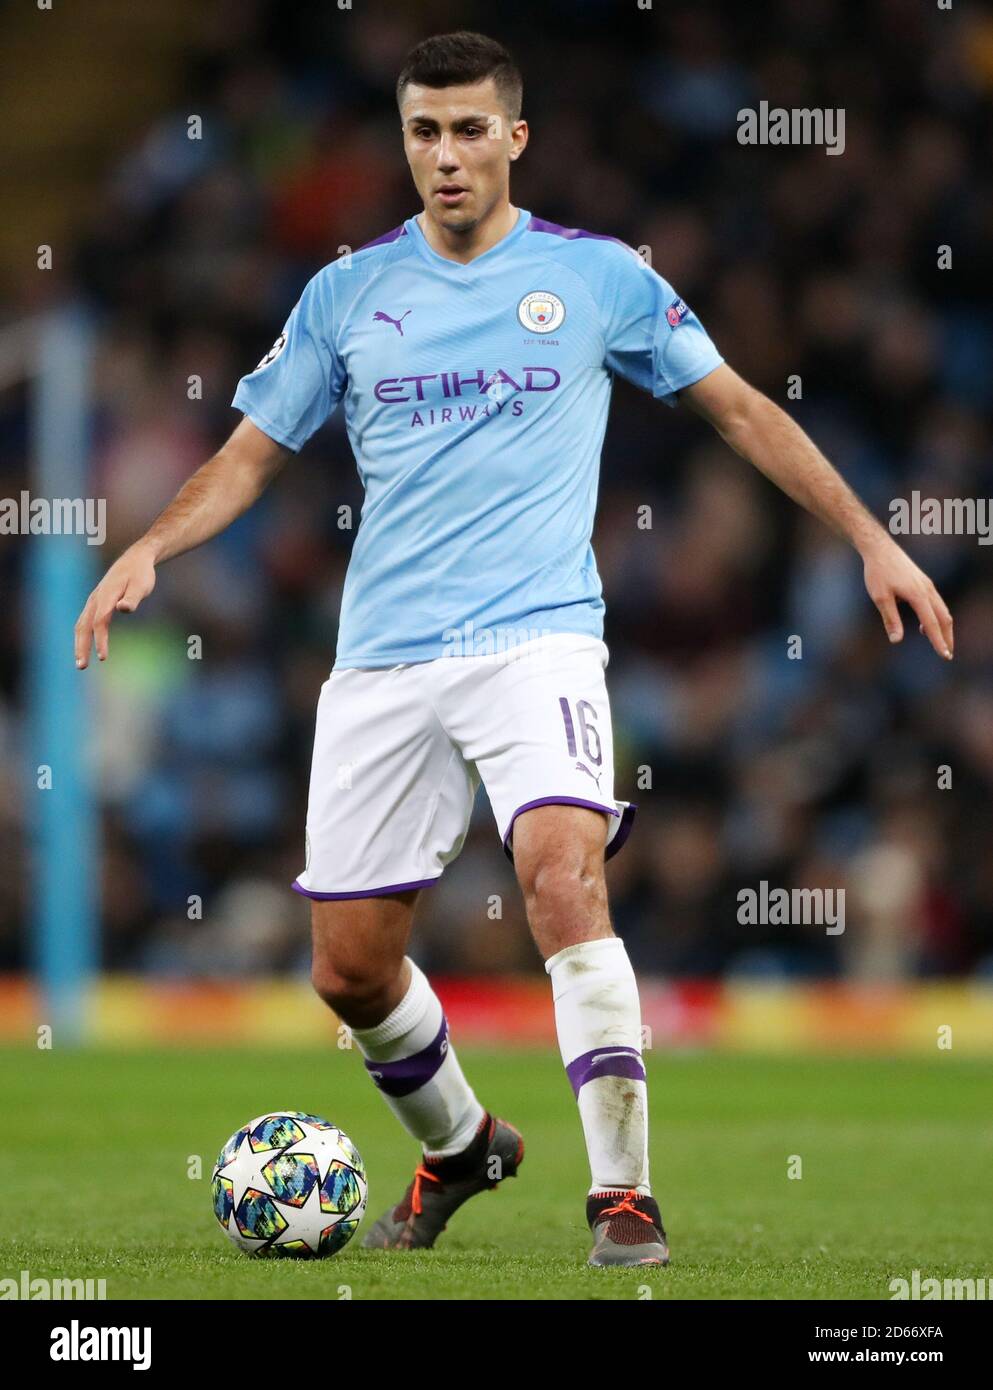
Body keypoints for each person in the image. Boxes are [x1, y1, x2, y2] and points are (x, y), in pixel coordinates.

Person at [75, 30, 954, 1268]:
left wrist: (872, 537)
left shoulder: (596, 280)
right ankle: (464, 1143)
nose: (445, 155)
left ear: (515, 138)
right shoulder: (344, 294)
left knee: (559, 871)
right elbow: (249, 454)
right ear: (405, 142)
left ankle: (623, 1198)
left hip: (538, 639)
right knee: (348, 969)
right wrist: (150, 548)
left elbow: (742, 406)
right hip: (383, 656)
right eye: (424, 131)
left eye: (469, 129)